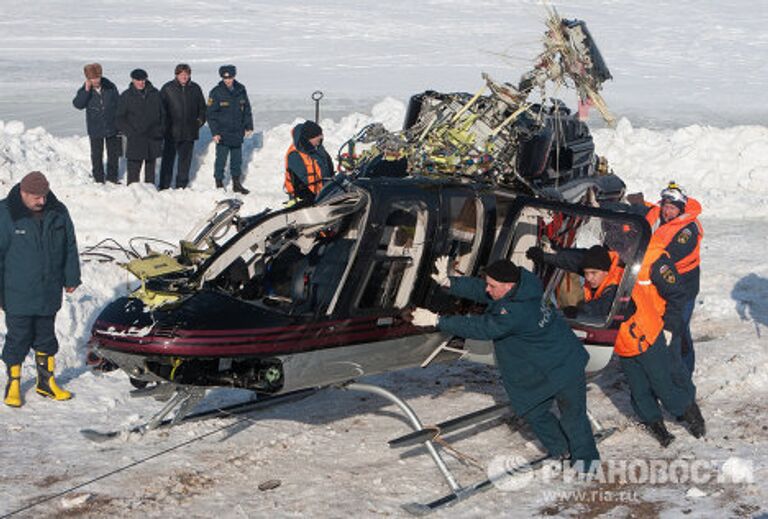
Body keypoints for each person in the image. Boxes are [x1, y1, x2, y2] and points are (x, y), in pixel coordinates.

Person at [410, 257, 600, 470]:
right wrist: (450, 282)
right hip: (546, 362)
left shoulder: (515, 311)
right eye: (489, 283)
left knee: (573, 416)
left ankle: (587, 466)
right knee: (533, 411)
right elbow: (482, 289)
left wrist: (438, 321)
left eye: (493, 285)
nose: (488, 289)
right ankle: (562, 450)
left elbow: (484, 328)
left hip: (565, 363)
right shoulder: (521, 287)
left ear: (508, 286)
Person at [610, 240, 704, 446]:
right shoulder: (616, 259)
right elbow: (581, 260)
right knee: (640, 383)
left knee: (672, 371)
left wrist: (670, 327)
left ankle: (688, 408)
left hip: (661, 325)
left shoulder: (655, 261)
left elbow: (677, 295)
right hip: (635, 331)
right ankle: (654, 420)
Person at [0, 172, 81, 407]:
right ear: (23, 193)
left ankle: (46, 383)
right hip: (17, 292)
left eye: (44, 196)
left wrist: (71, 276)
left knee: (46, 338)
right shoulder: (5, 213)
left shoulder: (59, 211)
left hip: (49, 289)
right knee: (18, 338)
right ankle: (13, 383)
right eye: (36, 197)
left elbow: (69, 245)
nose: (42, 202)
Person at [635, 182, 702, 374]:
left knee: (679, 328)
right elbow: (644, 215)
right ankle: (660, 366)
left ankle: (684, 372)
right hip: (659, 283)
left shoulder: (688, 230)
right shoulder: (657, 216)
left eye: (672, 208)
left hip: (683, 287)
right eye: (665, 207)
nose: (667, 211)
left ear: (680, 209)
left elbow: (670, 255)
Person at [526, 244, 623, 319]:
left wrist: (577, 311)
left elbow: (601, 308)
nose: (588, 278)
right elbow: (573, 261)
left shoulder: (616, 288)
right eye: (586, 273)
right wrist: (544, 257)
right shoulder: (602, 268)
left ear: (606, 272)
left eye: (593, 273)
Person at [159, 63, 207, 189]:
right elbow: (160, 110)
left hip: (189, 132)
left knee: (185, 162)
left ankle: (181, 186)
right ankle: (164, 186)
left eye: (186, 74)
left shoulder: (195, 88)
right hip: (171, 132)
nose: (184, 77)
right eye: (181, 75)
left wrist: (199, 121)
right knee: (168, 160)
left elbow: (202, 108)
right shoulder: (167, 88)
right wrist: (164, 126)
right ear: (177, 75)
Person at [206, 65, 253, 194]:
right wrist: (215, 132)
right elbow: (210, 115)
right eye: (225, 78)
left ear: (234, 76)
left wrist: (248, 126)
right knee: (221, 159)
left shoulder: (241, 89)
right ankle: (219, 183)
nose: (228, 80)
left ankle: (236, 183)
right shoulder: (216, 92)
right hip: (222, 133)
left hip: (237, 131)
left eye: (230, 78)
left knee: (237, 160)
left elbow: (247, 109)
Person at [72, 63, 121, 184]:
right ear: (88, 79)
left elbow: (119, 104)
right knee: (97, 155)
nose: (96, 81)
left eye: (97, 78)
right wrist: (86, 91)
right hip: (95, 128)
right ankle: (98, 179)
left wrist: (120, 123)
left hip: (112, 126)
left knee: (113, 155)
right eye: (92, 79)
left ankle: (112, 178)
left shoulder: (110, 87)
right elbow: (78, 104)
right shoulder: (84, 90)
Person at [115, 68, 164, 185]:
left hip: (152, 137)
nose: (141, 83)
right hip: (135, 138)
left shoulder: (155, 94)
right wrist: (130, 132)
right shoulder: (126, 96)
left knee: (150, 171)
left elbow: (163, 115)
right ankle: (133, 194)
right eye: (138, 80)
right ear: (132, 80)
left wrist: (160, 130)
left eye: (143, 80)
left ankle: (150, 194)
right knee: (133, 171)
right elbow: (119, 118)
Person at [284, 120, 335, 205]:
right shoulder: (295, 156)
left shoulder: (318, 148)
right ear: (309, 139)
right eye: (318, 136)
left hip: (324, 195)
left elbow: (328, 169)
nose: (321, 137)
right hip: (305, 200)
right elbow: (302, 185)